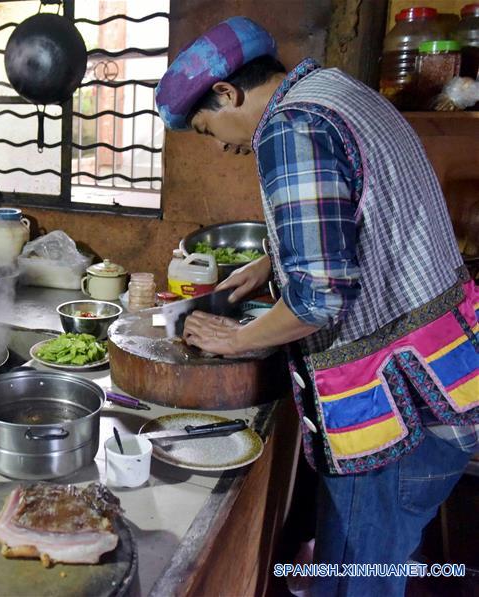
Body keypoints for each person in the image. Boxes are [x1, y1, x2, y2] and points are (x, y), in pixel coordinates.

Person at [156, 17, 478, 597]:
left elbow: (320, 299)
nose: (223, 146)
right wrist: (272, 263)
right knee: (379, 562)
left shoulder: (289, 127)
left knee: (355, 577)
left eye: (207, 129)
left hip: (393, 408)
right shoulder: (338, 92)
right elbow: (359, 212)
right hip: (450, 380)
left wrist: (237, 338)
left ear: (227, 93)